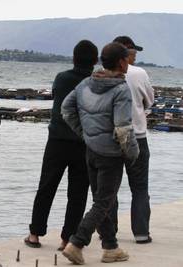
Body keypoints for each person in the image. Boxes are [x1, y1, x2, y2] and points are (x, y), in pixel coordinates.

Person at [61, 42, 139, 264]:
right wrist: (133, 153)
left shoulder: (86, 83)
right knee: (104, 202)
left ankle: (110, 248)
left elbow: (66, 110)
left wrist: (85, 134)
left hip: (91, 150)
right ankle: (77, 242)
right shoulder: (121, 89)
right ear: (122, 62)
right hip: (111, 155)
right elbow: (123, 128)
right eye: (127, 59)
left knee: (101, 200)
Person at [24, 40, 98, 251]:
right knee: (77, 193)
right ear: (95, 61)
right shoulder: (95, 82)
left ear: (74, 58)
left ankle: (35, 234)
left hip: (57, 140)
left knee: (46, 187)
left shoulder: (62, 78)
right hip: (84, 142)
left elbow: (57, 99)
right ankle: (67, 239)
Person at [113, 36, 154, 244]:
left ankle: (108, 233)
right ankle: (141, 233)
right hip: (137, 136)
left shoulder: (102, 75)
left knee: (109, 187)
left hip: (111, 137)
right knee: (139, 187)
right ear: (124, 53)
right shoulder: (140, 73)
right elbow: (150, 100)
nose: (135, 55)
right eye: (132, 52)